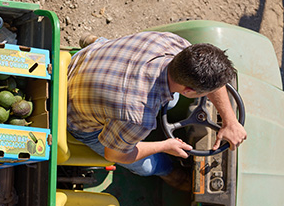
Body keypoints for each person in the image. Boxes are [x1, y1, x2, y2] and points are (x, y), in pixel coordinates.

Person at [67, 31, 247, 190]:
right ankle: (169, 172)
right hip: (74, 114)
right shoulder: (137, 118)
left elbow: (211, 80)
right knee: (147, 166)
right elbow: (114, 154)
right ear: (189, 91)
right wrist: (165, 146)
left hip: (85, 62)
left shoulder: (172, 43)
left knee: (173, 99)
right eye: (207, 93)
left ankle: (95, 41)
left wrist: (230, 120)